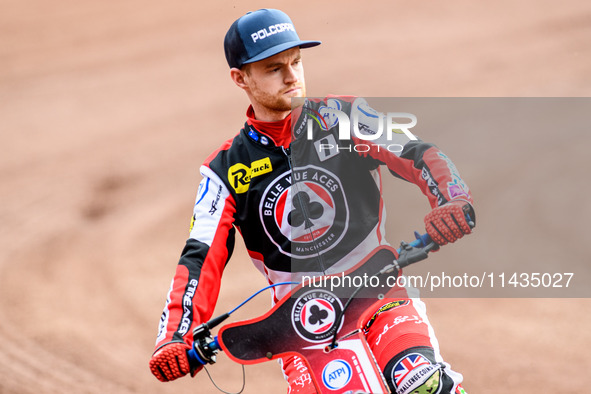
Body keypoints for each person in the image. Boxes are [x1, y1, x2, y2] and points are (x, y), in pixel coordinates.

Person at [149, 9, 474, 394]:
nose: (291, 76)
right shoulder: (222, 171)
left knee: (424, 385)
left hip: (378, 293)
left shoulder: (344, 116)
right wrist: (175, 336)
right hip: (300, 326)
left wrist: (453, 199)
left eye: (297, 62)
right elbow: (199, 257)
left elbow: (417, 151)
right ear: (240, 78)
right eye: (273, 68)